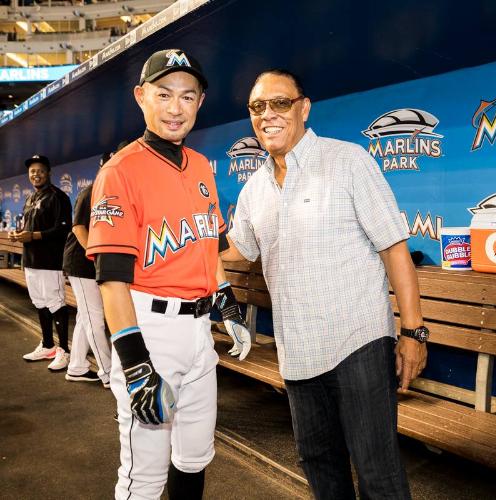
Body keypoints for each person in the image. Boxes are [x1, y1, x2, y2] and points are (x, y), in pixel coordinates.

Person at [222, 69, 429, 499]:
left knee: (378, 474)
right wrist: (175, 250)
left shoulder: (348, 161)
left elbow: (394, 248)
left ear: (303, 107)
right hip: (297, 353)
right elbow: (236, 250)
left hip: (359, 345)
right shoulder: (253, 189)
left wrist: (413, 332)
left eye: (279, 103)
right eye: (257, 107)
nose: (268, 115)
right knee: (321, 468)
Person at [86, 49, 251, 500]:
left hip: (200, 331)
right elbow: (111, 280)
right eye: (164, 94)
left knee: (195, 456)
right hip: (149, 328)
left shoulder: (200, 166)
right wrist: (136, 361)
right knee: (144, 477)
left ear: (200, 102)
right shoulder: (120, 171)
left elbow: (209, 248)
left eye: (187, 96)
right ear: (142, 97)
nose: (175, 107)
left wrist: (227, 302)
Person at [9, 154, 73, 371]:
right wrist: (18, 234)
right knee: (39, 302)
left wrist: (34, 236)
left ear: (48, 173)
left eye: (40, 170)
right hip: (31, 260)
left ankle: (64, 350)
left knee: (55, 303)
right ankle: (47, 345)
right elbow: (29, 228)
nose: (35, 174)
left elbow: (64, 229)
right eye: (32, 171)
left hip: (49, 261)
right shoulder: (30, 198)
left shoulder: (58, 196)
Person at [62, 153, 114, 387]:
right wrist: (96, 258)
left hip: (93, 265)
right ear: (101, 168)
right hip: (82, 265)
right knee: (95, 320)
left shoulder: (114, 193)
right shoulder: (90, 191)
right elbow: (78, 229)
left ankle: (77, 367)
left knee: (86, 317)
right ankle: (108, 372)